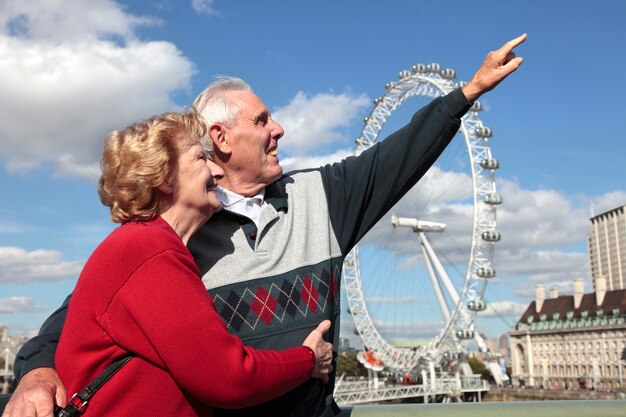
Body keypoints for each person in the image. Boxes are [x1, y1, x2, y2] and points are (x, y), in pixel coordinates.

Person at [4, 34, 526, 417]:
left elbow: (395, 160)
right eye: (261, 120)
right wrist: (36, 373)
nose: (279, 129)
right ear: (220, 138)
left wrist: (467, 93)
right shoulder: (168, 240)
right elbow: (75, 322)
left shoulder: (324, 198)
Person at [4, 111, 334, 417]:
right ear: (163, 177)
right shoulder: (149, 251)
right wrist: (308, 360)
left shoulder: (143, 247)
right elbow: (230, 378)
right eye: (201, 158)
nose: (217, 171)